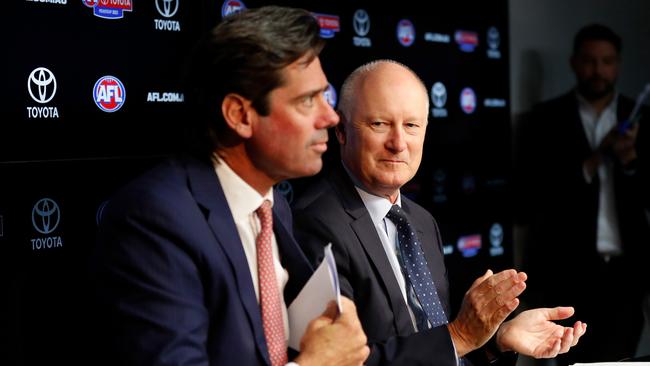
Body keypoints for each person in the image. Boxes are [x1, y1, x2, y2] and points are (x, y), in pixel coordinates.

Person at [91, 6, 369, 366]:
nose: (330, 117)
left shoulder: (273, 206)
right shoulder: (154, 220)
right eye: (307, 100)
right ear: (240, 115)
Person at [292, 60, 587, 366]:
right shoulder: (315, 223)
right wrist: (459, 336)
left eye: (411, 125)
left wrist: (496, 341)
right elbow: (342, 363)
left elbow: (437, 348)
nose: (398, 143)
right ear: (341, 129)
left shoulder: (420, 221)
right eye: (379, 124)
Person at [515, 24, 650, 364]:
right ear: (575, 63)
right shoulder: (545, 119)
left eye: (606, 61)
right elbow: (535, 196)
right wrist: (594, 159)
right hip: (567, 274)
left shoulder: (641, 117)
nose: (598, 70)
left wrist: (631, 160)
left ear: (618, 64)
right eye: (590, 61)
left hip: (626, 277)